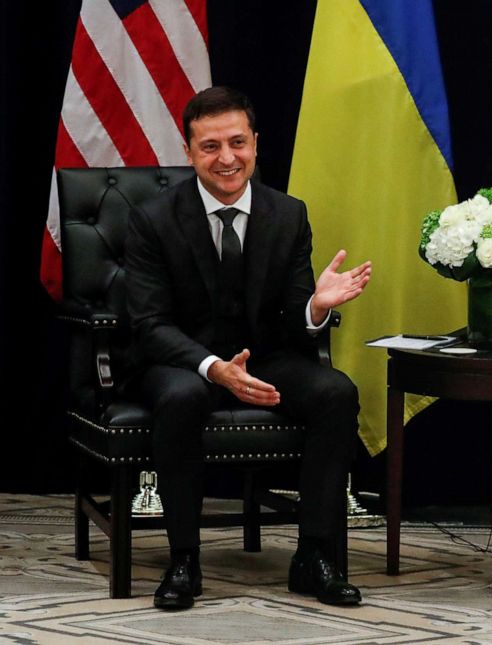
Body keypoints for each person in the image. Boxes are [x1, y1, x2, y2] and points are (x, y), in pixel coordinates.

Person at [124, 86, 372, 611]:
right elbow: (149, 324)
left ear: (256, 144)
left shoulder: (289, 214)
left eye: (237, 142)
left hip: (266, 356)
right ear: (189, 152)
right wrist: (215, 369)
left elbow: (295, 312)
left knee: (335, 392)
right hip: (184, 361)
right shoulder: (154, 220)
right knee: (182, 398)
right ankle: (184, 559)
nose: (227, 158)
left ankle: (314, 555)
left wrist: (317, 308)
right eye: (210, 146)